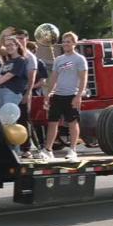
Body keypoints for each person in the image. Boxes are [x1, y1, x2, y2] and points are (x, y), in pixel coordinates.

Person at [41, 32, 88, 162]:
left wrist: (79, 95)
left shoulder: (79, 59)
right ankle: (48, 150)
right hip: (58, 95)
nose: (66, 44)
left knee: (72, 122)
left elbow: (84, 78)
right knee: (52, 122)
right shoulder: (59, 59)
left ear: (74, 43)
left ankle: (73, 150)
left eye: (68, 41)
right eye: (64, 41)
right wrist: (48, 94)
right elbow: (54, 78)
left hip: (72, 95)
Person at [0, 37, 34, 129]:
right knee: (0, 120)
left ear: (17, 45)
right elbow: (1, 76)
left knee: (8, 119)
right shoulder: (8, 61)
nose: (9, 47)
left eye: (11, 45)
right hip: (2, 91)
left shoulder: (21, 60)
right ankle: (6, 143)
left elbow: (9, 75)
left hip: (12, 92)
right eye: (7, 45)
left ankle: (14, 143)